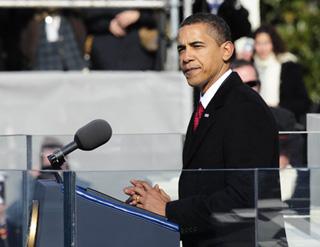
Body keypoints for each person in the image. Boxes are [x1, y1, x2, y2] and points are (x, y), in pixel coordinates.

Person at [124, 13, 285, 246]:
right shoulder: (210, 104)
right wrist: (167, 204)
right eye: (181, 49)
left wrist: (170, 210)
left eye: (197, 46)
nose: (186, 57)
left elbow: (244, 197)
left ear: (226, 51)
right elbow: (213, 186)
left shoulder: (244, 107)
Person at [253, 25, 311, 125]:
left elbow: (303, 102)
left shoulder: (288, 65)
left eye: (266, 43)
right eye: (258, 43)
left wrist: (277, 108)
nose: (262, 48)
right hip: (258, 122)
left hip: (284, 123)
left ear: (274, 43)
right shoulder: (251, 66)